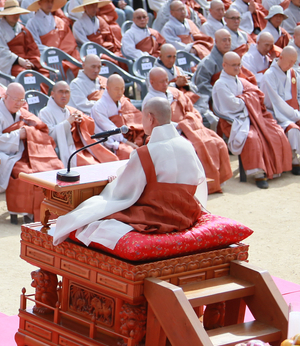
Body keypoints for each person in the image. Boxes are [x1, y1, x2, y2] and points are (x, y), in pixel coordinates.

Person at [49, 96, 207, 246]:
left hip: (158, 216)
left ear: (150, 118)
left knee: (90, 222)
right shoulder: (187, 145)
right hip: (187, 214)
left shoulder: (146, 153)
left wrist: (114, 182)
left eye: (143, 117)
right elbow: (198, 179)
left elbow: (123, 192)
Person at [0, 82, 62, 222]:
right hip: (5, 155)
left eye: (22, 100)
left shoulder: (22, 114)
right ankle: (27, 212)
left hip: (24, 153)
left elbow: (41, 128)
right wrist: (19, 135)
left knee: (54, 168)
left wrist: (30, 131)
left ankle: (51, 212)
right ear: (5, 97)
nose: (19, 104)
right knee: (29, 174)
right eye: (16, 100)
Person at [144, 68, 231, 193]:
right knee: (196, 146)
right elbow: (157, 123)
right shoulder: (150, 101)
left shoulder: (174, 92)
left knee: (216, 141)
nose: (165, 84)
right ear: (152, 82)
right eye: (161, 82)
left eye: (167, 81)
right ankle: (199, 186)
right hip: (171, 133)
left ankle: (217, 180)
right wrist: (180, 125)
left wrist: (189, 120)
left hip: (188, 128)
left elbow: (190, 109)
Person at [213, 50, 292, 188]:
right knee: (252, 138)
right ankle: (258, 174)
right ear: (224, 65)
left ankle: (276, 168)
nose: (237, 68)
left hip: (251, 116)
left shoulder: (241, 80)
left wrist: (246, 98)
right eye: (233, 65)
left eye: (239, 65)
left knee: (276, 130)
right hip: (234, 121)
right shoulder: (220, 85)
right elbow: (232, 105)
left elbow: (257, 94)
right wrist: (248, 98)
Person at [90, 75, 143, 159]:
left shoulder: (122, 102)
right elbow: (109, 130)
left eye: (122, 89)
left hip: (125, 137)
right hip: (109, 142)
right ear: (107, 88)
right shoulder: (99, 106)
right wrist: (127, 142)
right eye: (116, 89)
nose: (120, 92)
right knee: (130, 153)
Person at [0, 0, 42, 76]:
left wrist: (32, 62)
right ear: (5, 15)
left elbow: (33, 48)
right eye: (12, 13)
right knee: (27, 76)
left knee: (46, 72)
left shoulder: (23, 29)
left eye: (17, 12)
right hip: (11, 65)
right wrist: (18, 60)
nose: (16, 15)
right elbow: (0, 53)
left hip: (27, 62)